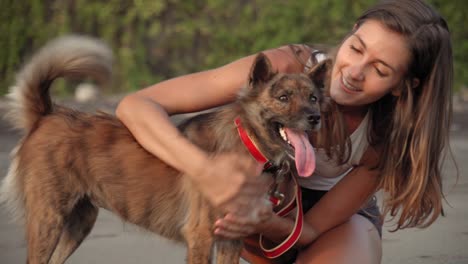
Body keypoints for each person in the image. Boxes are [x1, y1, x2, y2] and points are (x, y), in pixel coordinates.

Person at [116, 0, 453, 263]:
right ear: (350, 33)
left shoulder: (383, 137)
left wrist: (266, 223)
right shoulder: (284, 71)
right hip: (251, 202)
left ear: (402, 86)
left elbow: (314, 228)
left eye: (380, 70)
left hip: (319, 223)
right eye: (356, 48)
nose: (354, 73)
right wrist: (204, 170)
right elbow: (136, 105)